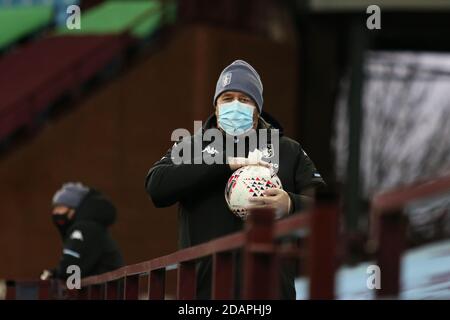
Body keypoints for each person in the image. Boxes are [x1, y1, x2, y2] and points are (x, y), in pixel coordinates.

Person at [145, 60, 325, 299]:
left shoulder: (287, 150)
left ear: (257, 109)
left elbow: (325, 207)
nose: (235, 105)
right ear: (216, 107)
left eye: (245, 99)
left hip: (271, 293)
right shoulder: (190, 146)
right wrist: (222, 164)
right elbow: (156, 187)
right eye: (227, 98)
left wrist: (290, 204)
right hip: (204, 294)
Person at [41, 182, 123, 281]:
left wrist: (54, 275)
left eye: (61, 207)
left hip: (105, 293)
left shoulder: (84, 229)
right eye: (55, 208)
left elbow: (70, 268)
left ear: (74, 209)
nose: (55, 213)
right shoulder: (91, 227)